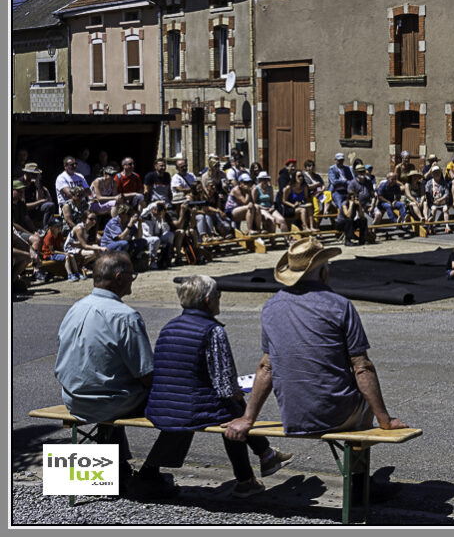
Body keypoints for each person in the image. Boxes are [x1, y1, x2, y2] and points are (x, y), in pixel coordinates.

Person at [223, 238, 408, 499]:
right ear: (323, 271)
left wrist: (248, 419)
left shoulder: (271, 307)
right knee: (366, 404)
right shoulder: (340, 305)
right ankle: (359, 485)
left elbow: (266, 367)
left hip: (293, 415)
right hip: (335, 413)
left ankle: (359, 481)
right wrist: (385, 420)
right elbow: (362, 367)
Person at [141, 276, 292, 499]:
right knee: (233, 414)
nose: (220, 300)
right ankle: (250, 474)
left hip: (162, 407)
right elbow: (224, 384)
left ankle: (264, 459)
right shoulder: (212, 331)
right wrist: (239, 392)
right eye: (219, 296)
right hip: (190, 409)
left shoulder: (168, 327)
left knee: (230, 409)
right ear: (209, 300)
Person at [54, 252, 167, 497]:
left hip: (73, 398)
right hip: (108, 402)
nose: (133, 280)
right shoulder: (125, 316)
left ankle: (118, 468)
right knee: (183, 409)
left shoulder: (75, 307)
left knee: (113, 384)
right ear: (118, 278)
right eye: (131, 275)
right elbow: (146, 374)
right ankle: (150, 473)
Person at [140, 201, 181, 269]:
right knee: (156, 239)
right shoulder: (146, 214)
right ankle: (152, 262)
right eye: (157, 209)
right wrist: (157, 203)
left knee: (170, 235)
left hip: (156, 239)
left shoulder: (160, 218)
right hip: (145, 238)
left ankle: (166, 259)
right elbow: (147, 209)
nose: (158, 211)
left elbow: (166, 230)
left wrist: (163, 218)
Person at [65, 211, 106, 277]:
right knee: (94, 252)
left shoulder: (91, 228)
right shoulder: (79, 228)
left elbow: (90, 242)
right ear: (84, 219)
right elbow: (84, 245)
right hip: (71, 249)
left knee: (97, 249)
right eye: (91, 219)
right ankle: (81, 267)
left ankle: (100, 269)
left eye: (95, 219)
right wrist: (100, 247)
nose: (94, 221)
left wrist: (98, 246)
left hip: (80, 247)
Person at [42, 217, 83, 281]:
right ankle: (69, 275)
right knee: (66, 257)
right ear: (51, 228)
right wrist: (64, 253)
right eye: (56, 226)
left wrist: (67, 251)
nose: (59, 227)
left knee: (71, 255)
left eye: (60, 225)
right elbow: (52, 251)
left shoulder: (59, 234)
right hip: (49, 255)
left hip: (58, 252)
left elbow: (62, 246)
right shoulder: (48, 237)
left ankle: (76, 272)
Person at [21, 163, 57, 229]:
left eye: (37, 174)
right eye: (34, 174)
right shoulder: (21, 184)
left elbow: (39, 199)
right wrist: (40, 202)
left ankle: (46, 229)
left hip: (34, 210)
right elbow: (24, 206)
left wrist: (38, 187)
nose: (36, 176)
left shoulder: (35, 182)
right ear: (27, 173)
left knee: (50, 205)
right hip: (23, 212)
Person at [424, 165, 452, 233]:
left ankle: (447, 226)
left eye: (438, 172)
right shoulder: (429, 183)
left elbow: (447, 193)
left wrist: (440, 199)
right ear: (432, 174)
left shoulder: (443, 182)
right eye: (435, 173)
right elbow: (427, 193)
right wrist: (433, 201)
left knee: (445, 209)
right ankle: (431, 226)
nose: (437, 174)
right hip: (433, 202)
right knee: (433, 209)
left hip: (442, 201)